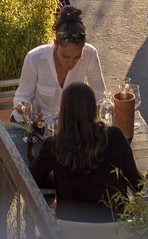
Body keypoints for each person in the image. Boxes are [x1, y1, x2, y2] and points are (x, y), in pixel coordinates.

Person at [29, 82, 141, 218]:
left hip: (71, 229)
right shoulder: (115, 137)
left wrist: (61, 178)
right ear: (93, 108)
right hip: (115, 227)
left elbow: (33, 178)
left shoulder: (53, 145)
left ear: (63, 110)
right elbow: (136, 182)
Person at [13, 6, 106, 121]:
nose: (71, 63)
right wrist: (26, 108)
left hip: (71, 126)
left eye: (77, 57)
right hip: (38, 124)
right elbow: (20, 98)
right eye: (65, 56)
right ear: (56, 44)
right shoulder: (34, 58)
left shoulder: (90, 54)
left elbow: (100, 97)